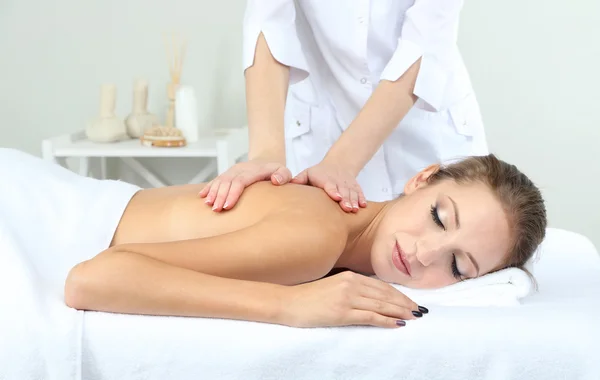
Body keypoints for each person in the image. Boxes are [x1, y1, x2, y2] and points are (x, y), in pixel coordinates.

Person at [58, 150, 547, 329]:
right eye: (439, 218)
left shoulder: (336, 231)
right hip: (47, 219)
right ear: (422, 178)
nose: (423, 254)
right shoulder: (317, 238)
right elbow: (91, 279)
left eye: (458, 268)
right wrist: (287, 306)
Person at [199, 0, 488, 214]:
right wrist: (265, 154)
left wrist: (339, 164)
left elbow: (424, 43)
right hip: (322, 127)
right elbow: (267, 21)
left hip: (421, 126)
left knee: (434, 265)